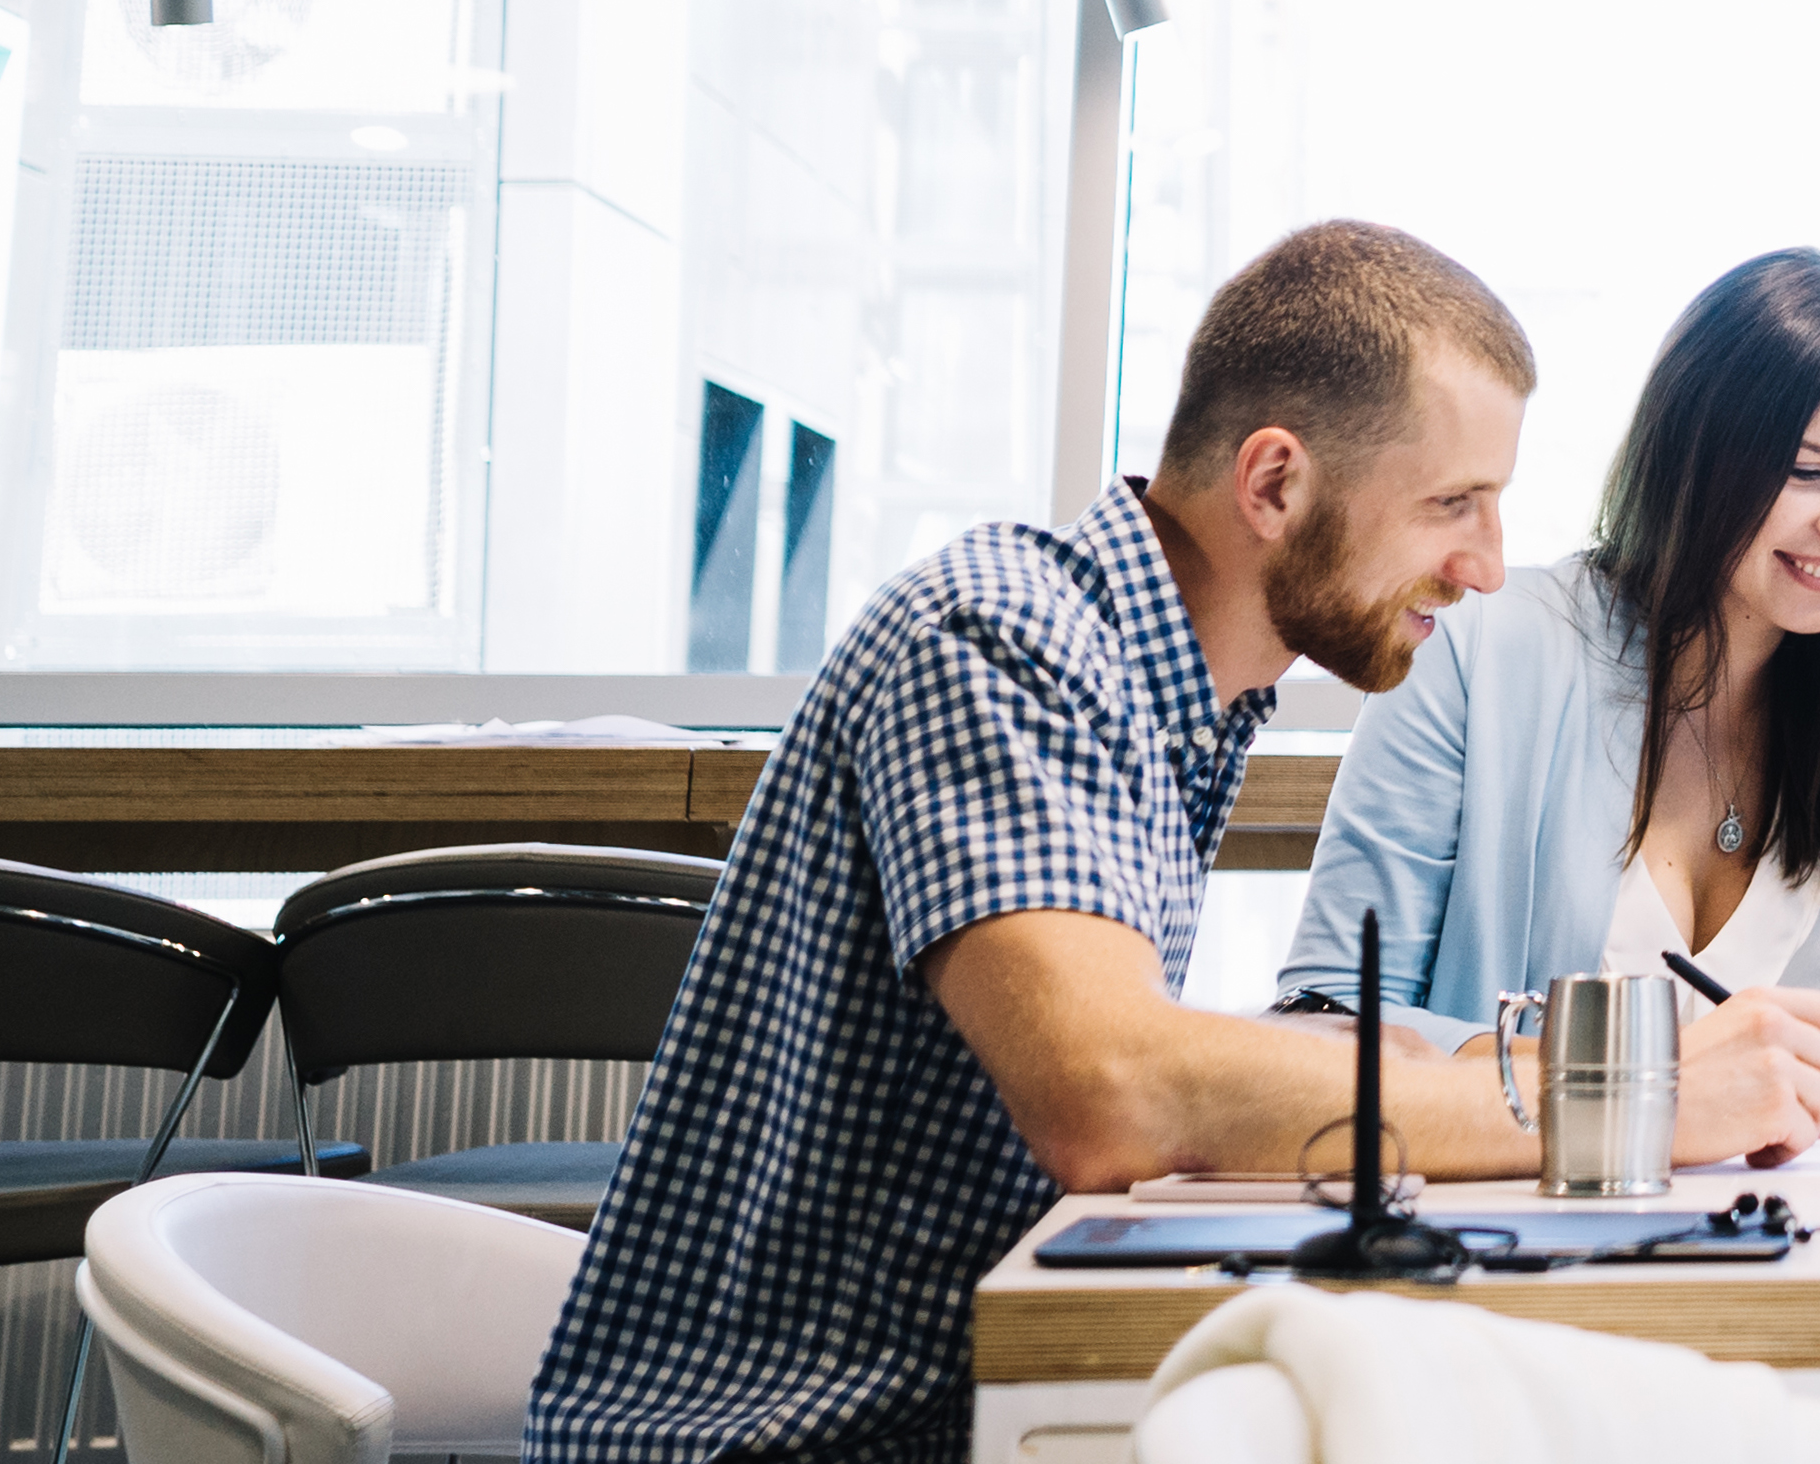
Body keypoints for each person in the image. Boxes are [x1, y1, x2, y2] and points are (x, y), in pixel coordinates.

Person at [527, 220, 1547, 1464]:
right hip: (801, 1440)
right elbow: (1108, 1093)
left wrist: (1320, 1056)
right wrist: (1574, 1107)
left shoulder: (1175, 688)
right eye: (1455, 505)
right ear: (1274, 483)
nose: (1486, 567)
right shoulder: (1005, 637)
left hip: (957, 1408)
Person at [1284, 248, 1820, 1146]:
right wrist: (1653, 1085)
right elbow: (1329, 1007)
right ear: (1697, 455)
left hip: (1791, 1249)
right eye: (1810, 472)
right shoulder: (1477, 648)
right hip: (1517, 1241)